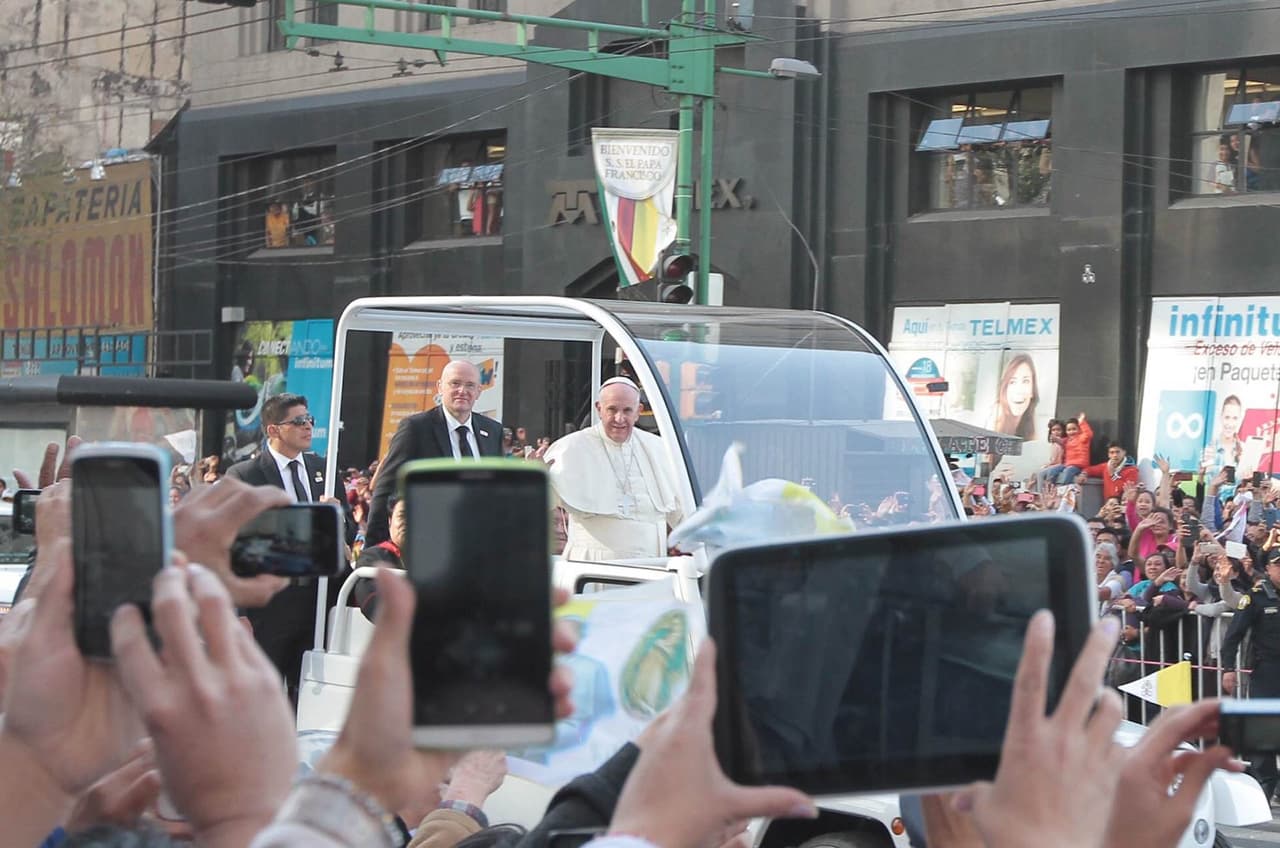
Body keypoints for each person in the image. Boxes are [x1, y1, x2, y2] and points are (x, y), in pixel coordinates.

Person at [226, 392, 354, 701]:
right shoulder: (246, 475)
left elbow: (348, 530)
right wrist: (238, 610)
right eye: (298, 421)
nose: (307, 426)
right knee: (263, 693)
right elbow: (232, 544)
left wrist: (335, 516)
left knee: (310, 693)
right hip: (270, 603)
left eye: (309, 419)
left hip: (318, 599)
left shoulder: (323, 469)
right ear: (273, 430)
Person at [366, 359, 504, 546]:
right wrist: (375, 551)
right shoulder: (416, 428)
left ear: (479, 391)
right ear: (440, 387)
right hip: (429, 547)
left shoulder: (492, 431)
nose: (462, 391)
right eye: (455, 383)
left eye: (470, 385)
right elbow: (386, 489)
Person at [544, 378, 683, 561]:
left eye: (627, 410)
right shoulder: (570, 448)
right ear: (599, 408)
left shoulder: (659, 449)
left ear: (638, 411)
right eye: (612, 409)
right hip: (592, 568)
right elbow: (539, 506)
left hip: (652, 567)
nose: (619, 418)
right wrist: (536, 478)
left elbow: (681, 513)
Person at [1220, 548, 1280, 801]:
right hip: (1268, 669)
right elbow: (1233, 636)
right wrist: (1228, 669)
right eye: (1278, 564)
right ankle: (1265, 781)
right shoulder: (1255, 597)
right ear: (1267, 569)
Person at [989, 353, 1039, 440]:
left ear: (1032, 391)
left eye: (1026, 381)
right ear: (1005, 389)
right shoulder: (993, 419)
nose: (1019, 390)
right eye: (1012, 382)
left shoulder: (1033, 426)